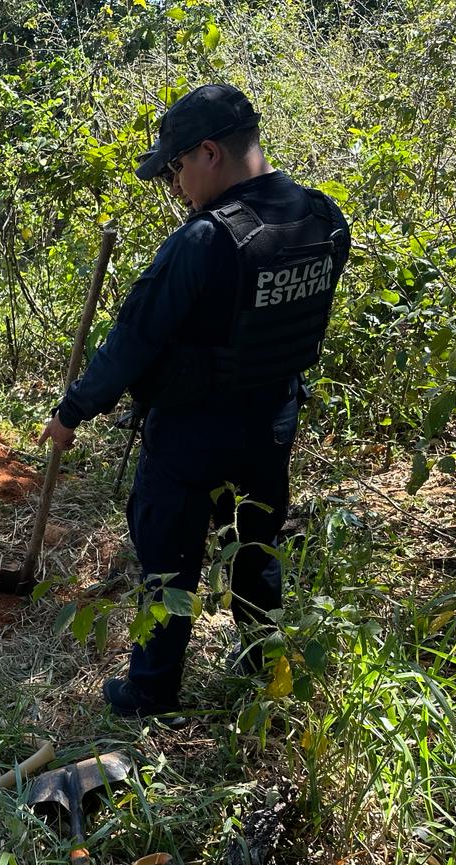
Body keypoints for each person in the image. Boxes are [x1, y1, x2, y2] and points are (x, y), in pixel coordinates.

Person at [39, 84, 350, 719]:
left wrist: (71, 411)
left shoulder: (204, 241)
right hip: (271, 423)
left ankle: (151, 690)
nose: (177, 185)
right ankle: (270, 673)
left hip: (192, 432)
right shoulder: (324, 217)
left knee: (167, 561)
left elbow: (132, 343)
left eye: (178, 167)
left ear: (209, 152)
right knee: (256, 551)